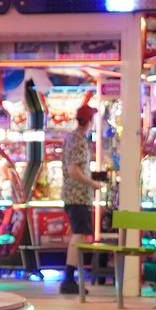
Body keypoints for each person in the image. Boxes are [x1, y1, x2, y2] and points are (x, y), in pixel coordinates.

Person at [60, 105, 104, 295]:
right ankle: (69, 279)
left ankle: (70, 278)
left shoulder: (73, 137)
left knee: (78, 235)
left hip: (74, 195)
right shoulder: (78, 140)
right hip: (78, 196)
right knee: (79, 236)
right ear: (90, 121)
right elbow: (73, 170)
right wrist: (92, 183)